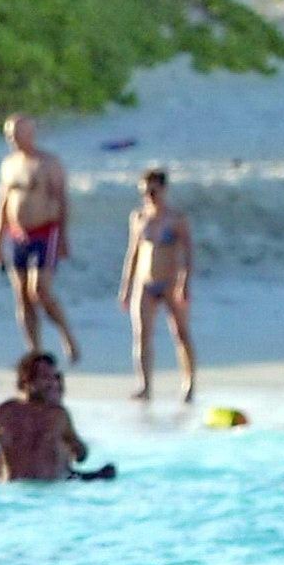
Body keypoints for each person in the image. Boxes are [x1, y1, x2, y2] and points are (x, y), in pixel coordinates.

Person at [0, 114, 80, 364]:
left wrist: (63, 239)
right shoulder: (8, 164)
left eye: (18, 133)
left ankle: (67, 336)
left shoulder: (48, 163)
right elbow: (3, 203)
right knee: (21, 296)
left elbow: (62, 201)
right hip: (17, 235)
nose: (13, 139)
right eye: (9, 135)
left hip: (44, 231)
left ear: (31, 133)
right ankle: (34, 351)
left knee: (39, 290)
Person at [0, 351, 112, 483]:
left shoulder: (58, 415)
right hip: (15, 492)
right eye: (45, 378)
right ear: (26, 381)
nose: (52, 383)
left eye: (53, 378)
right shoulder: (5, 412)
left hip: (49, 494)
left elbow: (81, 456)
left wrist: (77, 448)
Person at [119, 168, 197, 403]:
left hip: (170, 282)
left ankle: (189, 383)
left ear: (163, 190)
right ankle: (145, 385)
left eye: (153, 191)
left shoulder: (176, 219)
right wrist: (126, 286)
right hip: (145, 283)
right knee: (142, 335)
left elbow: (188, 253)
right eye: (144, 192)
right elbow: (132, 253)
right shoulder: (139, 218)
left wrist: (184, 282)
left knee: (180, 334)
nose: (149, 196)